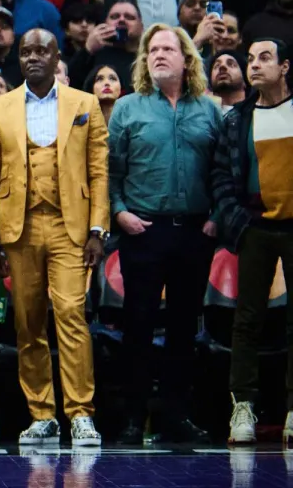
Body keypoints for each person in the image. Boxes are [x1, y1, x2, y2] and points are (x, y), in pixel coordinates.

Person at [0, 29, 108, 448]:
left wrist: (97, 230)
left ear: (57, 57)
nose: (33, 57)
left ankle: (81, 413)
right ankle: (42, 414)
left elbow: (99, 172)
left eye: (41, 51)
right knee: (28, 321)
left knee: (71, 314)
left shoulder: (84, 104)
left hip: (71, 225)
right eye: (25, 51)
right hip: (20, 228)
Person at [108, 24, 221, 445]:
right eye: (151, 49)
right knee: (137, 326)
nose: (157, 55)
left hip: (194, 231)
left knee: (183, 329)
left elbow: (222, 169)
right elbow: (111, 170)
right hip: (143, 231)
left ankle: (176, 416)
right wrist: (119, 212)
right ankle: (134, 418)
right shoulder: (127, 108)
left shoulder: (209, 110)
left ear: (186, 59)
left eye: (167, 49)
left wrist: (216, 217)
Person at [212, 39, 293, 445]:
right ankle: (242, 406)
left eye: (264, 58)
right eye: (250, 59)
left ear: (285, 67)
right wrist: (238, 224)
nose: (254, 65)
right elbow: (221, 177)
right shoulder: (238, 119)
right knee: (246, 321)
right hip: (255, 227)